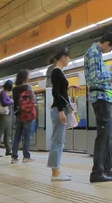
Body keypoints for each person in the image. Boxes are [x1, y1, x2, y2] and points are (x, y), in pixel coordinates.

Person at [85, 32, 112, 183]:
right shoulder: (94, 53)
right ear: (106, 43)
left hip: (104, 98)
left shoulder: (97, 54)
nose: (109, 51)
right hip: (100, 98)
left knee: (107, 135)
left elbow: (99, 74)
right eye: (110, 49)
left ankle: (106, 169)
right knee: (103, 136)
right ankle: (97, 172)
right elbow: (95, 77)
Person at [47, 47, 72, 181]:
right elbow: (56, 93)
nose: (69, 59)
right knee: (57, 141)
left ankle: (57, 170)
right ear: (63, 57)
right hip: (58, 110)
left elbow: (61, 91)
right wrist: (61, 110)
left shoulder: (58, 72)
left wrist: (70, 88)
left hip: (58, 108)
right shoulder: (56, 72)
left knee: (59, 141)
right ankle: (55, 173)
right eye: (68, 57)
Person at [11, 70, 36, 164]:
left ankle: (14, 157)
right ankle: (26, 157)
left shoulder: (14, 89)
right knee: (26, 136)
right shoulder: (28, 86)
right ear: (25, 77)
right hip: (28, 114)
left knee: (17, 136)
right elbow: (33, 99)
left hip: (18, 115)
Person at [0, 80, 14, 157]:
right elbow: (4, 103)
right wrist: (11, 102)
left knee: (7, 133)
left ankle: (8, 150)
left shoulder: (4, 93)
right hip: (3, 116)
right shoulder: (3, 93)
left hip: (6, 115)